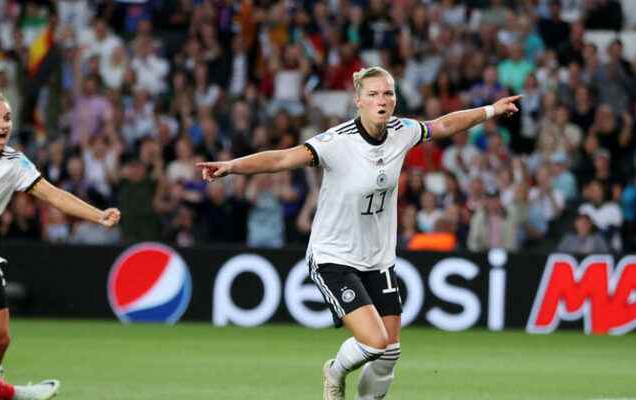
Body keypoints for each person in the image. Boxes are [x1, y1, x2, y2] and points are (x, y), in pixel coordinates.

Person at [198, 66, 520, 400]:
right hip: (334, 256)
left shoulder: (402, 131)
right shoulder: (336, 143)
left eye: (388, 93)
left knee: (390, 353)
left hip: (378, 258)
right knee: (374, 342)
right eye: (373, 94)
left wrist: (491, 110)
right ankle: (334, 371)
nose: (382, 100)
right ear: (358, 101)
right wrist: (231, 166)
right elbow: (282, 159)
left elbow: (444, 125)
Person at [0, 79, 121, 400]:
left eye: (7, 118)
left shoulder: (14, 163)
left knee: (0, 341)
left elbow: (52, 194)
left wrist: (98, 215)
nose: (4, 125)